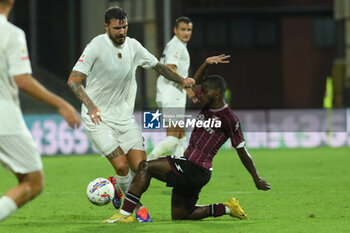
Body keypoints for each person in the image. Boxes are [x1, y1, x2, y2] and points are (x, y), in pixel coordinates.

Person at [67, 6, 194, 222]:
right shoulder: (96, 46)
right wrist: (90, 105)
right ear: (107, 27)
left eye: (124, 27)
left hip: (123, 116)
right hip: (97, 117)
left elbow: (159, 67)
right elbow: (74, 80)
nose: (121, 32)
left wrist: (182, 80)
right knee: (123, 166)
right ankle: (137, 209)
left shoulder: (134, 47)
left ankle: (118, 187)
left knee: (142, 169)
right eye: (117, 28)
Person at [103, 74, 270, 223]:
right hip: (193, 169)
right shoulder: (207, 105)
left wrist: (256, 178)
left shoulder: (230, 119)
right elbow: (191, 84)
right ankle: (226, 208)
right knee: (181, 214)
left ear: (217, 92)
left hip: (195, 168)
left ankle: (125, 213)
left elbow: (242, 151)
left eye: (205, 91)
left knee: (146, 167)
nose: (201, 94)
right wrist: (206, 63)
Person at [0, 0, 81, 222]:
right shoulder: (10, 33)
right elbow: (23, 81)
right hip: (4, 120)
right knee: (33, 181)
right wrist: (62, 104)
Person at [149, 16, 231, 160]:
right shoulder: (176, 46)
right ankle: (147, 163)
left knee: (181, 137)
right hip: (171, 95)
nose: (186, 33)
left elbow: (177, 74)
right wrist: (187, 86)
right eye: (183, 29)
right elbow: (170, 70)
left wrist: (189, 91)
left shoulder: (176, 45)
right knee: (173, 137)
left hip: (172, 94)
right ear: (175, 30)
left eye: (189, 30)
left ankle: (180, 172)